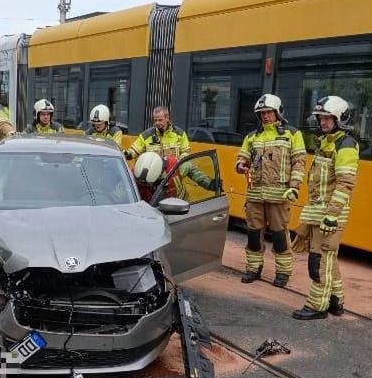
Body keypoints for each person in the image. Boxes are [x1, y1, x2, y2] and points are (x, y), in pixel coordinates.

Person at [291, 96, 359, 320]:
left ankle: (317, 306)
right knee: (330, 260)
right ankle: (336, 301)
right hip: (320, 212)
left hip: (330, 215)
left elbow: (345, 183)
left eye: (328, 118)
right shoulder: (327, 142)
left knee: (318, 260)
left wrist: (331, 215)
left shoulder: (345, 145)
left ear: (340, 119)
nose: (323, 122)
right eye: (321, 118)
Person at [235, 94, 306, 288]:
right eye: (262, 113)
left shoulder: (292, 134)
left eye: (269, 112)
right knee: (253, 235)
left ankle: (282, 273)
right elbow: (242, 158)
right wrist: (241, 165)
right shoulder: (252, 136)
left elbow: (300, 162)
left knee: (280, 236)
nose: (265, 116)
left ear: (278, 112)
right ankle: (253, 269)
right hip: (255, 195)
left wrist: (294, 187)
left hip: (279, 196)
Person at [133, 152, 218, 203]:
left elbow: (190, 168)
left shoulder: (175, 166)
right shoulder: (132, 174)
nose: (146, 185)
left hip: (182, 205)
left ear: (159, 175)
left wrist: (209, 184)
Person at [124, 106, 190, 160]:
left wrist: (176, 163)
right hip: (153, 175)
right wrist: (126, 154)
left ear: (167, 118)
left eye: (160, 120)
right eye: (155, 120)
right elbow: (134, 151)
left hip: (172, 175)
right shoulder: (146, 136)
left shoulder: (180, 134)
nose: (157, 123)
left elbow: (186, 153)